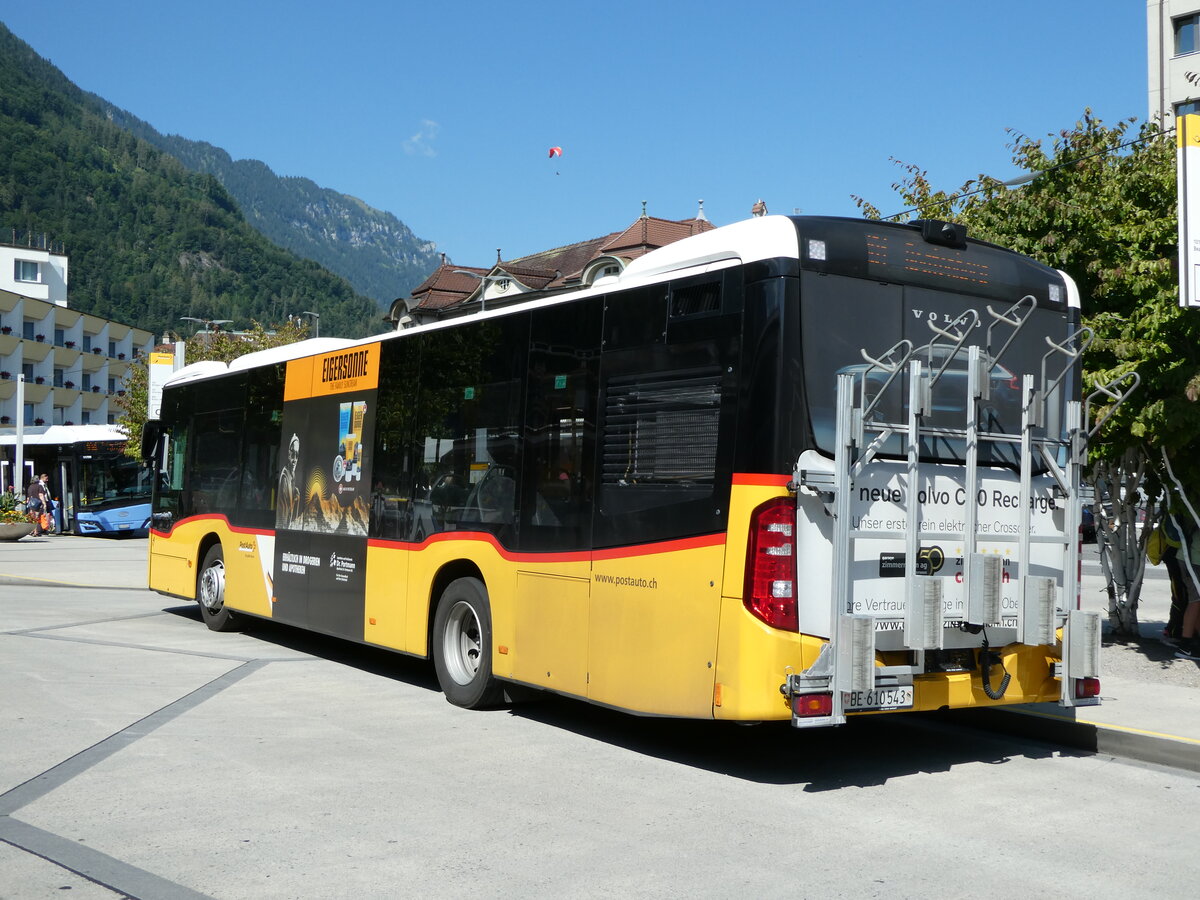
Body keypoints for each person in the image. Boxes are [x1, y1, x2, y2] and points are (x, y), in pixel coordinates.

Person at [1175, 518, 1200, 661]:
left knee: (1197, 601)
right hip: (1193, 560)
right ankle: (1185, 646)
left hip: (1189, 557)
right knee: (1195, 601)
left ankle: (1191, 644)